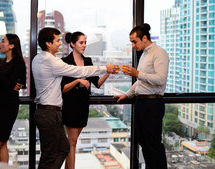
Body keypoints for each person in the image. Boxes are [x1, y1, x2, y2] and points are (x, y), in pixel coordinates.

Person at [32, 27, 118, 169]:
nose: (60, 43)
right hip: (50, 113)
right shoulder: (52, 61)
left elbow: (92, 80)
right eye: (57, 40)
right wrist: (105, 68)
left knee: (63, 148)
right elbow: (79, 71)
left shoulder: (38, 58)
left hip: (51, 112)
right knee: (50, 155)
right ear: (48, 43)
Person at [114, 23, 169, 169]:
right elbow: (141, 82)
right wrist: (127, 94)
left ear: (144, 38)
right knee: (145, 144)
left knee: (153, 144)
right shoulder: (144, 54)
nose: (133, 45)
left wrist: (136, 73)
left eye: (134, 41)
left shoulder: (159, 52)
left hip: (152, 104)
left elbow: (161, 79)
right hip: (142, 104)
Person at [61, 31, 110, 169]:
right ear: (72, 44)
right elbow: (62, 88)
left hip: (83, 104)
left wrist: (108, 72)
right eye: (81, 42)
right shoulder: (65, 62)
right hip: (70, 105)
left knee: (73, 142)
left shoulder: (88, 61)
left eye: (85, 42)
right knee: (72, 141)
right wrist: (78, 81)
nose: (84, 45)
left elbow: (98, 84)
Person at [0, 34, 26, 169]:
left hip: (8, 107)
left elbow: (9, 86)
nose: (0, 44)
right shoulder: (1, 62)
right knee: (2, 143)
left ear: (12, 45)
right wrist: (7, 83)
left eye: (3, 41)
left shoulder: (18, 62)